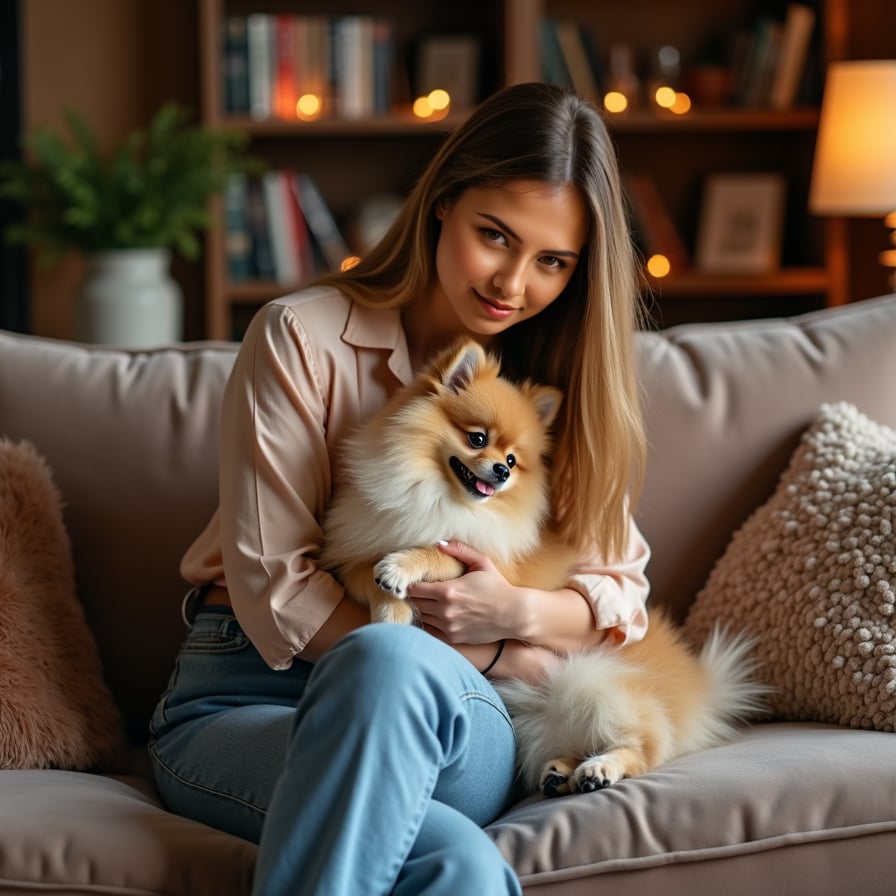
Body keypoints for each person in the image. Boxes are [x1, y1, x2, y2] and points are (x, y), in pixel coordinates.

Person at [148, 81, 651, 896]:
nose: (514, 283)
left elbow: (619, 592)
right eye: (496, 235)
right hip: (250, 697)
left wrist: (512, 622)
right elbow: (276, 588)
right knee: (454, 863)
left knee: (392, 665)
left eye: (553, 261)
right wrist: (457, 648)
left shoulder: (561, 389)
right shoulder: (300, 337)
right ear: (443, 203)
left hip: (461, 714)